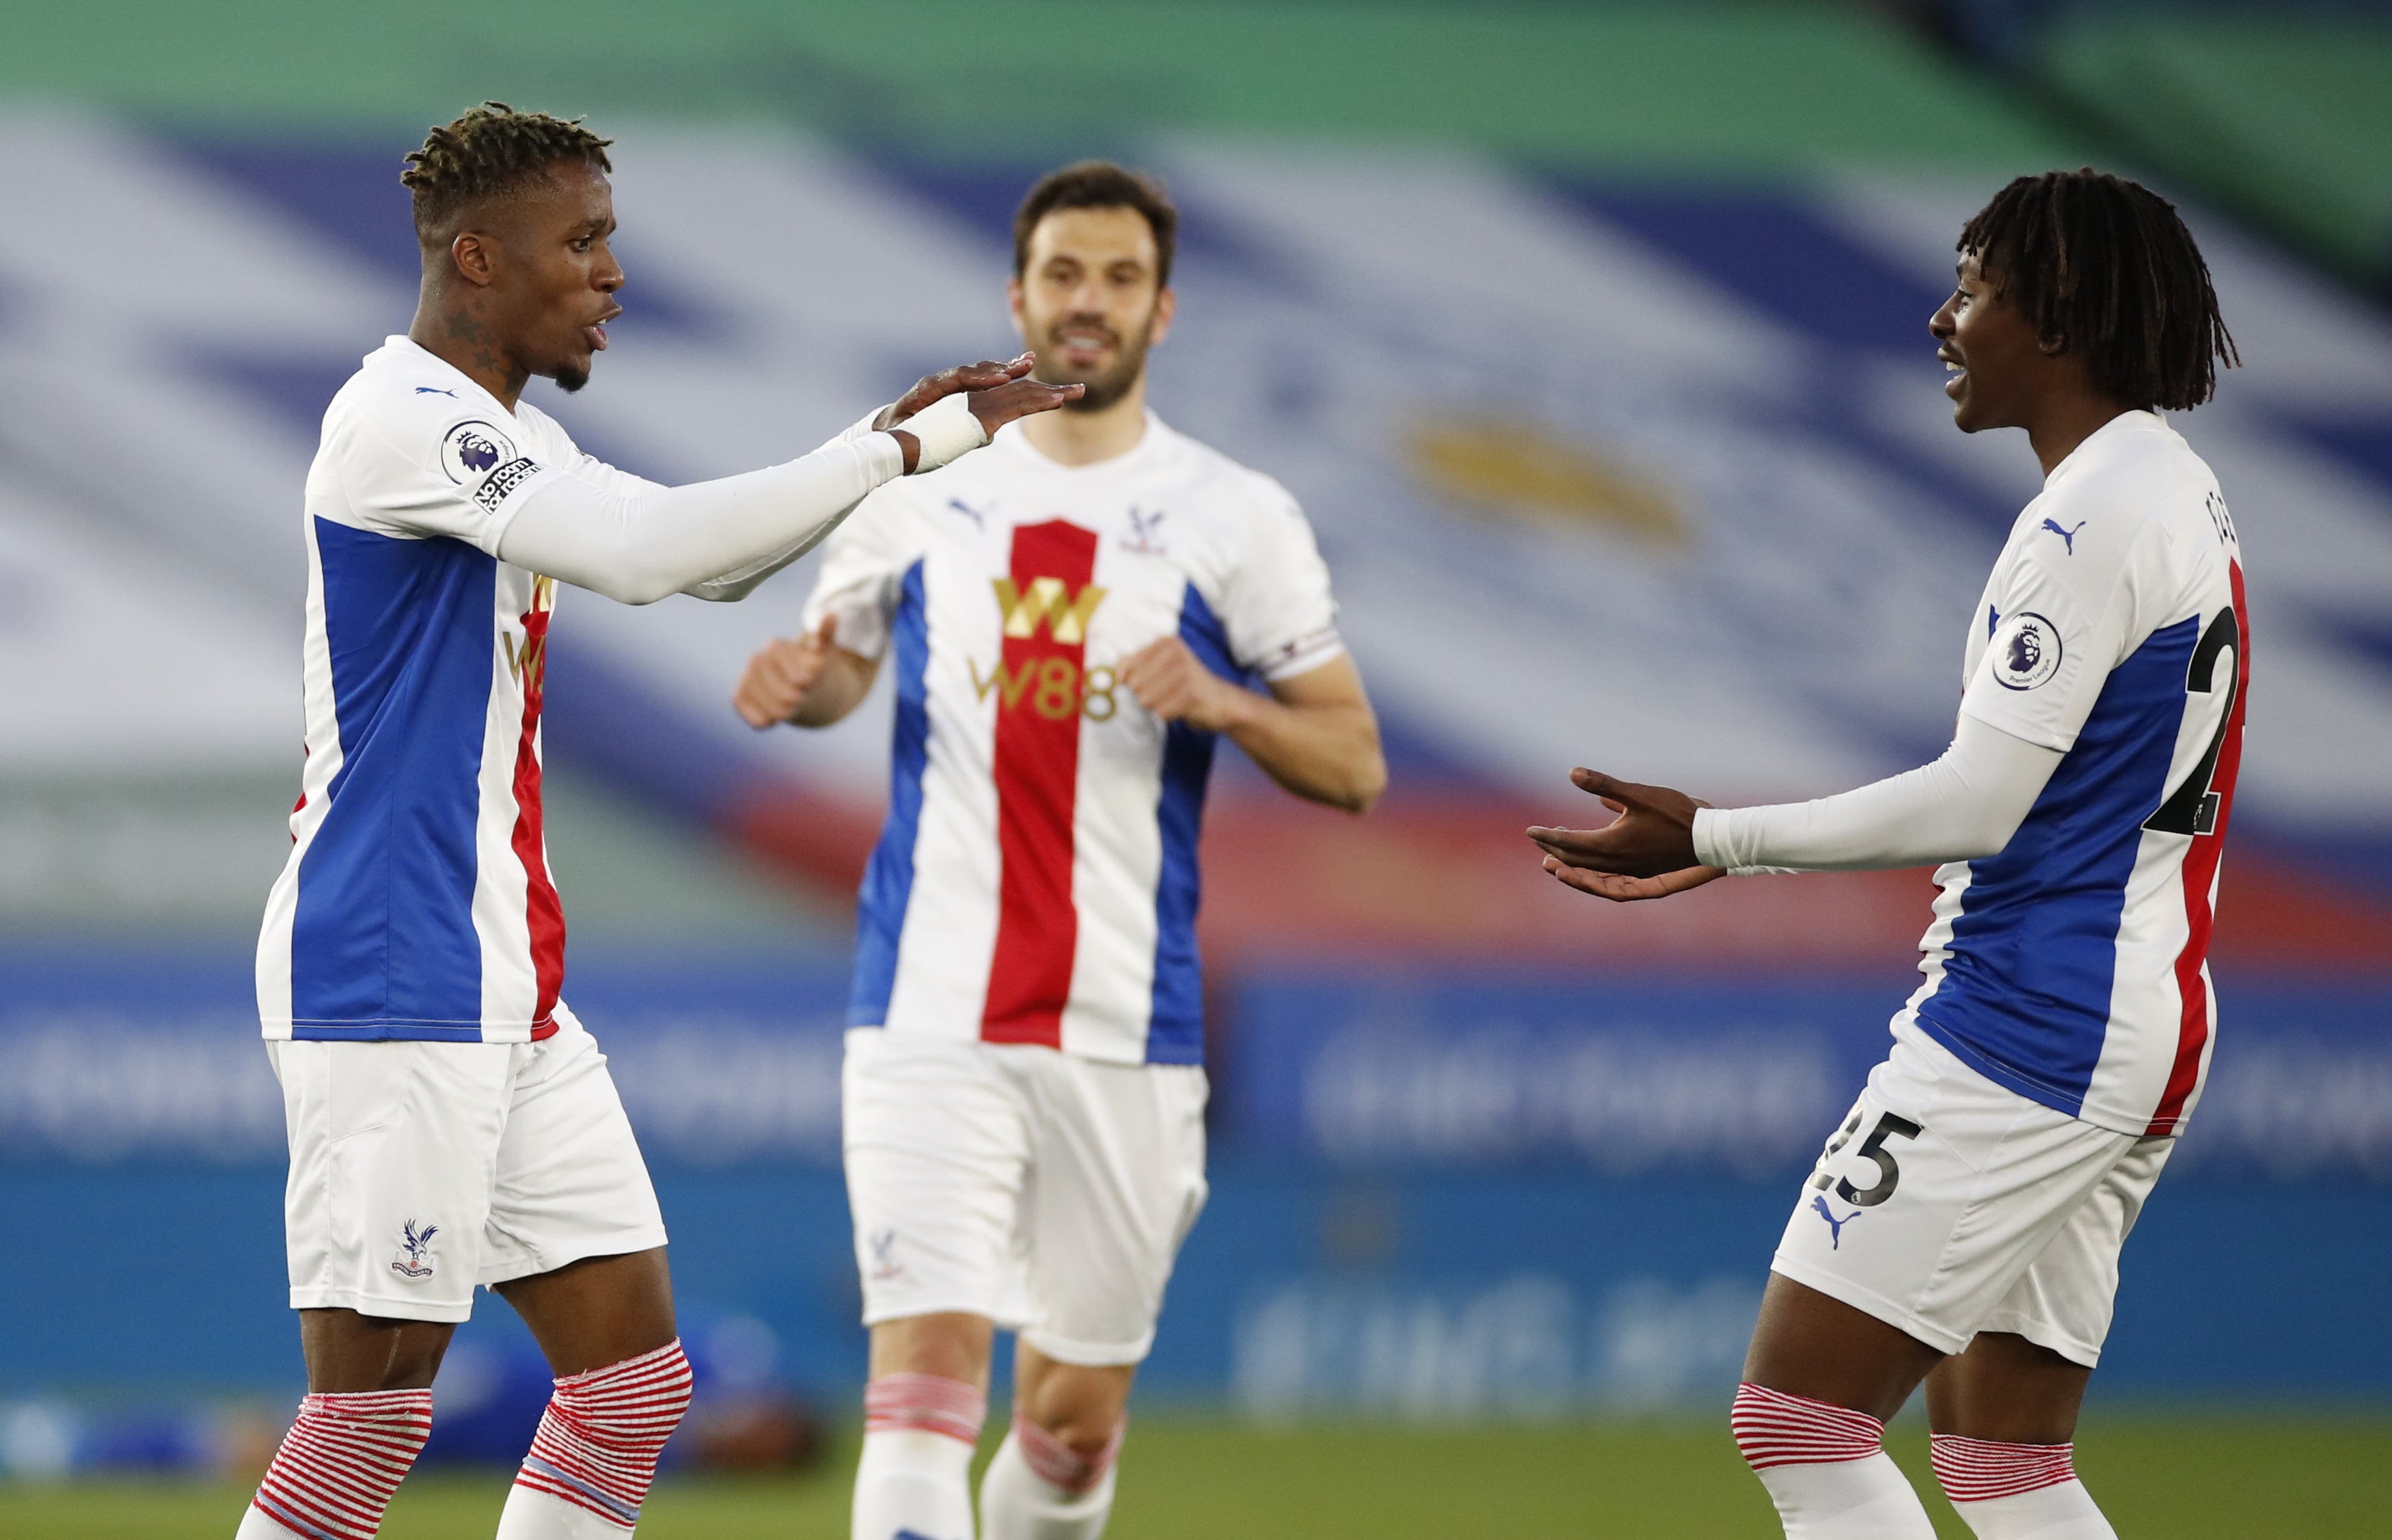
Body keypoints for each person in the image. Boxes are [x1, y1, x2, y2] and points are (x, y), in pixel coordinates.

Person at [245, 102, 1076, 1540]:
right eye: (583, 242)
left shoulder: (511, 437)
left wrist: (881, 443)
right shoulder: (399, 418)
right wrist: (882, 458)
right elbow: (643, 556)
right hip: (392, 959)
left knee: (630, 1382)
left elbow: (704, 564)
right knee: (370, 1413)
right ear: (478, 259)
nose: (613, 273)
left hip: (503, 971)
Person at [1529, 169, 2244, 1540]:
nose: (1941, 316)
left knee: (1797, 1418)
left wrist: (1719, 836)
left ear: (2059, 313)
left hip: (2035, 1015)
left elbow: (1979, 800)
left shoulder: (2090, 520)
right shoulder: (2171, 488)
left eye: (1972, 286)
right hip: (2136, 1006)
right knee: (2005, 1461)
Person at [733, 161, 1387, 1540]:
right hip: (926, 1000)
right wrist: (810, 683)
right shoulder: (912, 474)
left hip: (1123, 1025)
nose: (1089, 303)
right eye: (1064, 275)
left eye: (1120, 278)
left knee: (1072, 1426)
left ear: (1164, 309)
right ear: (1016, 295)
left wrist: (1224, 700)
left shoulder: (1234, 514)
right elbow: (846, 666)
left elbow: (1354, 762)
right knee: (921, 1387)